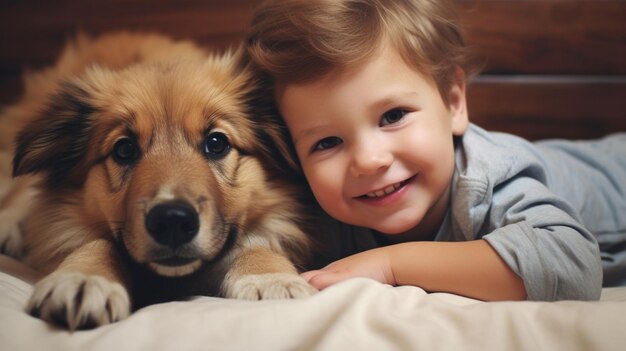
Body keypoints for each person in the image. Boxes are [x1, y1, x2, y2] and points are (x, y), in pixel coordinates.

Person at [245, 0, 626, 301]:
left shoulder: (487, 181)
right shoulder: (327, 212)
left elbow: (574, 265)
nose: (368, 160)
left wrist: (391, 264)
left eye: (393, 116)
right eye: (326, 143)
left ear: (454, 103)